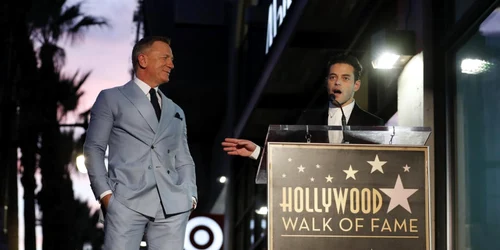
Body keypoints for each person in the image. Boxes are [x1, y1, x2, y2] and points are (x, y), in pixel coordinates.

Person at [84, 36, 197, 250]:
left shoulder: (176, 111)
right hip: (125, 201)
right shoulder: (111, 98)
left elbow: (184, 158)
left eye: (171, 59)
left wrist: (190, 195)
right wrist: (105, 195)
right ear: (142, 60)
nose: (171, 64)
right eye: (165, 58)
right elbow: (94, 148)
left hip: (172, 204)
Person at [222, 53, 384, 159]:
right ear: (326, 82)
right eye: (332, 77)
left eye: (345, 78)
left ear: (356, 85)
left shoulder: (373, 123)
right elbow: (290, 159)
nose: (338, 82)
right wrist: (257, 152)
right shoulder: (308, 119)